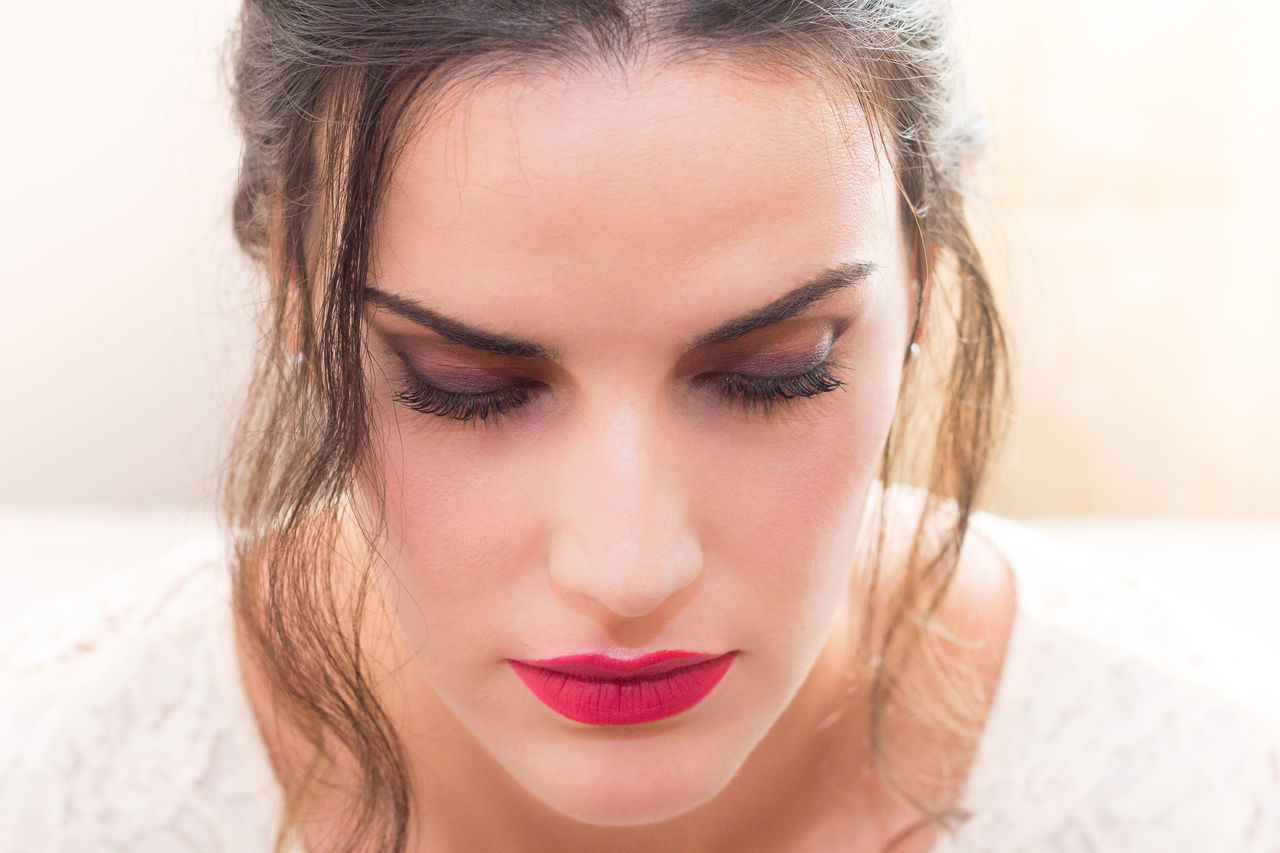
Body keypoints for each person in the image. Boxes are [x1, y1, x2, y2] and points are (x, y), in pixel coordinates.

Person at [2, 1, 1277, 851]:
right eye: (463, 381)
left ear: (926, 285)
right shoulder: (59, 784)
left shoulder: (1204, 791)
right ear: (295, 294)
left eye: (778, 369)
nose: (625, 568)